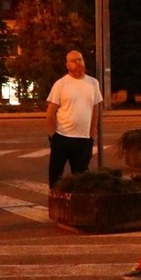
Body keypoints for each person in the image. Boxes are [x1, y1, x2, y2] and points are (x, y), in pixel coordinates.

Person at [46, 50, 103, 188]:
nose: (78, 63)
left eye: (80, 59)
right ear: (67, 65)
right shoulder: (61, 84)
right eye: (73, 61)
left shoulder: (93, 83)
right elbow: (50, 113)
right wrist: (53, 136)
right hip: (62, 137)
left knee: (81, 179)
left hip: (83, 140)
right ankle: (55, 198)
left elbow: (95, 109)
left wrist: (92, 134)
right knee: (56, 175)